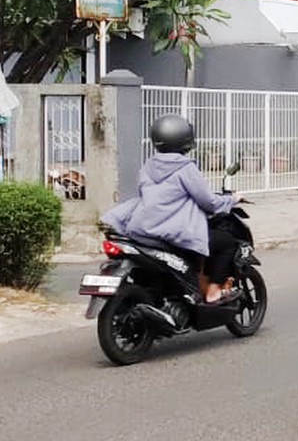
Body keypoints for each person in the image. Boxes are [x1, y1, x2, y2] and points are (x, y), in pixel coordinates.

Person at [101, 114, 241, 304]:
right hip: (174, 230)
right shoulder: (185, 168)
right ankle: (214, 290)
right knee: (227, 243)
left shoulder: (148, 166)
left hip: (142, 228)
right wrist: (232, 199)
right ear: (185, 139)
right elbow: (209, 202)